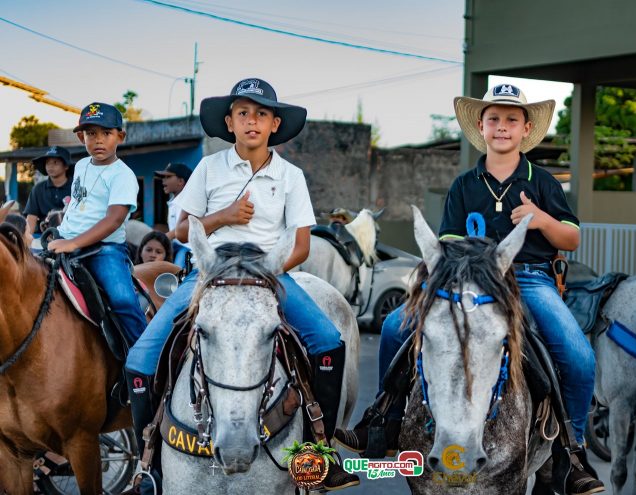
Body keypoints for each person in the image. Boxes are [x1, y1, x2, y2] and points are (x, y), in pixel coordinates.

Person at [335, 84, 605, 495]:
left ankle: (572, 450)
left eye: (511, 119)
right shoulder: (464, 185)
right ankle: (384, 421)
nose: (502, 127)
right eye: (494, 119)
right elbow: (448, 244)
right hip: (467, 280)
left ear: (525, 128)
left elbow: (571, 238)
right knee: (393, 327)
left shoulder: (543, 182)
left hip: (527, 278)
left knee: (578, 354)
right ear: (481, 126)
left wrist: (538, 219)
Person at [124, 78, 359, 492]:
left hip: (272, 274)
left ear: (275, 124)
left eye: (262, 114)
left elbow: (301, 245)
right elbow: (181, 230)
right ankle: (150, 463)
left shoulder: (290, 176)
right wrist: (225, 216)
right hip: (207, 275)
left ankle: (318, 450)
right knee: (141, 359)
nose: (252, 121)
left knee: (327, 343)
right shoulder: (209, 168)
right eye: (244, 113)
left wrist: (263, 276)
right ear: (229, 123)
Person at [47, 102, 147, 348]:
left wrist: (73, 243)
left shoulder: (122, 175)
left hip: (103, 250)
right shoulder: (81, 166)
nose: (98, 140)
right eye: (91, 134)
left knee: (122, 300)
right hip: (65, 241)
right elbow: (79, 204)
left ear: (120, 136)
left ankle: (145, 362)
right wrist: (61, 230)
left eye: (106, 133)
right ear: (82, 137)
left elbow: (113, 220)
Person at [24, 146, 74, 235]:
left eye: (55, 162)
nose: (50, 166)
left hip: (73, 235)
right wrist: (26, 241)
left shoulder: (76, 187)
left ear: (66, 166)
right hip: (44, 236)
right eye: (47, 163)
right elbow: (31, 217)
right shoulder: (38, 189)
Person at [154, 162, 192, 267]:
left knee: (176, 272)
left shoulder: (188, 201)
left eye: (168, 176)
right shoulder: (174, 201)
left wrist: (163, 238)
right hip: (177, 245)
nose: (163, 180)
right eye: (163, 177)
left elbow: (185, 226)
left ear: (180, 181)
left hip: (187, 248)